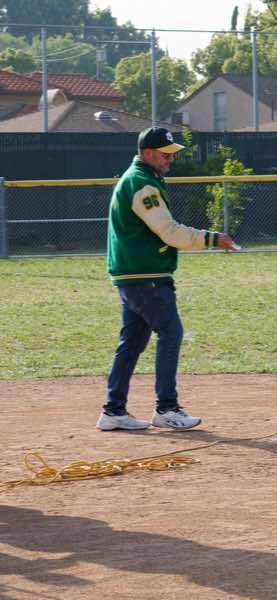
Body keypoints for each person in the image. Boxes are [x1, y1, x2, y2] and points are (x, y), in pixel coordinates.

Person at [96, 127, 239, 432]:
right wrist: (212, 239)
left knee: (132, 343)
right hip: (145, 275)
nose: (170, 159)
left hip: (133, 274)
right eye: (165, 154)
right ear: (147, 153)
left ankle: (113, 410)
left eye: (172, 154)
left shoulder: (141, 179)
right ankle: (166, 408)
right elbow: (169, 232)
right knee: (170, 333)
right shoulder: (142, 183)